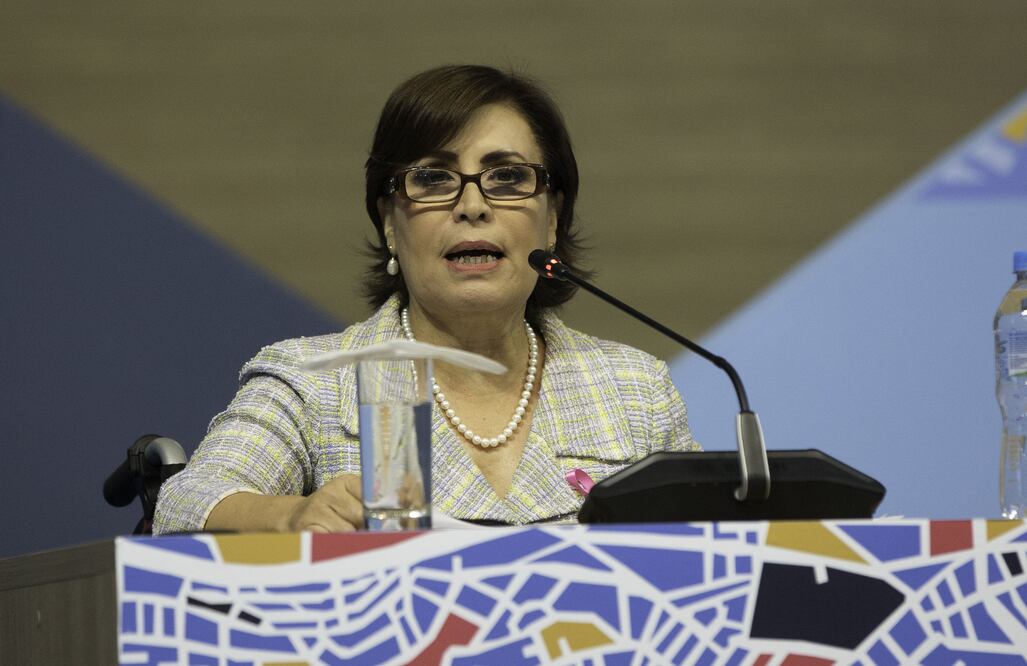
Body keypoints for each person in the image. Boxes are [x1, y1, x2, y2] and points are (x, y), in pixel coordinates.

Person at [153, 65, 700, 534]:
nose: (472, 205)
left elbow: (710, 558)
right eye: (434, 178)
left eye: (507, 177)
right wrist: (293, 518)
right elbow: (186, 500)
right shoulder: (315, 383)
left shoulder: (635, 394)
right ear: (391, 224)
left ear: (552, 218)